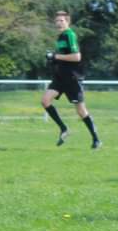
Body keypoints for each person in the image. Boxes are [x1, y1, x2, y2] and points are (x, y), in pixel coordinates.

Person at [40, 11, 101, 149]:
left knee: (81, 110)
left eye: (61, 20)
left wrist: (55, 57)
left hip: (72, 78)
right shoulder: (61, 36)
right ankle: (64, 129)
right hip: (60, 77)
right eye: (56, 21)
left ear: (68, 22)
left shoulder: (70, 35)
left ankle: (96, 139)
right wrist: (53, 60)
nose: (58, 23)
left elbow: (76, 57)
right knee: (45, 101)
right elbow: (62, 56)